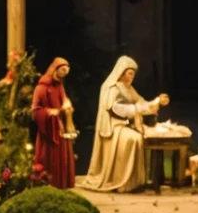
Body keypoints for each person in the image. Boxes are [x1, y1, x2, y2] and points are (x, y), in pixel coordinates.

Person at [79, 56, 168, 193]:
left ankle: (136, 181)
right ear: (122, 73)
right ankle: (122, 181)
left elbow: (140, 102)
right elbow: (116, 109)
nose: (132, 77)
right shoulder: (112, 88)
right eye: (130, 73)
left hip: (127, 124)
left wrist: (156, 102)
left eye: (133, 74)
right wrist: (138, 110)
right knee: (134, 139)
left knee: (144, 136)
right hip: (114, 126)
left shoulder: (129, 88)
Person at [31, 57, 75, 189]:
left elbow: (64, 100)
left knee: (63, 156)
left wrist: (66, 105)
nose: (64, 74)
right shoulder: (42, 87)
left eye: (66, 72)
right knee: (47, 156)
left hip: (59, 126)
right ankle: (47, 184)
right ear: (55, 69)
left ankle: (61, 184)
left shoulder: (59, 85)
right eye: (62, 70)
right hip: (48, 129)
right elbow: (34, 111)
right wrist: (49, 112)